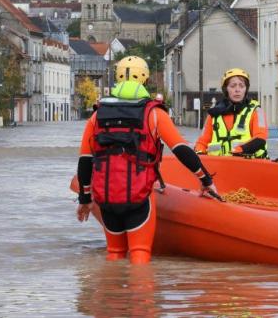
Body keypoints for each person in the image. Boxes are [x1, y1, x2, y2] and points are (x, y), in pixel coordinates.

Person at [75, 56, 219, 264]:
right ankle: (141, 295)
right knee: (140, 254)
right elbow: (181, 150)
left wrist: (85, 199)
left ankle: (109, 295)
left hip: (107, 199)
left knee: (114, 254)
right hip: (139, 197)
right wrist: (205, 180)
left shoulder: (97, 116)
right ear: (144, 78)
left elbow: (86, 161)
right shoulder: (154, 114)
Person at [194, 68, 268, 158]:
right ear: (226, 89)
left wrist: (238, 151)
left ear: (246, 89)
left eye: (241, 86)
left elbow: (260, 138)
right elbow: (202, 142)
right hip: (219, 167)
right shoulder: (213, 114)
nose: (237, 90)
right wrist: (199, 154)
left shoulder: (257, 111)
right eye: (233, 86)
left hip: (250, 167)